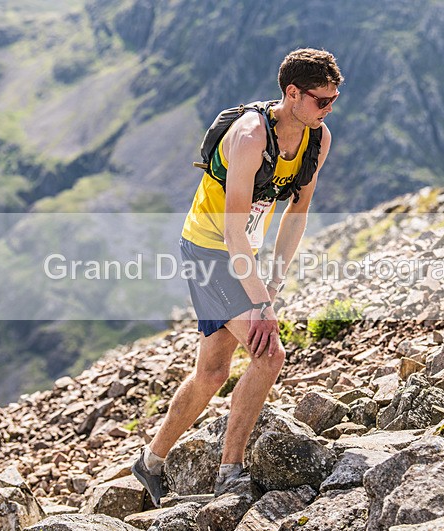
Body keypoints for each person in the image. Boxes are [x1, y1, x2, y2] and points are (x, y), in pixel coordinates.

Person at [132, 48, 343, 506]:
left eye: (334, 99)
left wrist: (275, 282)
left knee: (210, 373)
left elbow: (296, 214)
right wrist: (262, 307)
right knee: (269, 355)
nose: (329, 109)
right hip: (209, 249)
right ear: (293, 94)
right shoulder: (249, 137)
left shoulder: (317, 140)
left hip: (240, 251)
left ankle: (149, 463)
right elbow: (231, 230)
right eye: (322, 101)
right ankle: (230, 471)